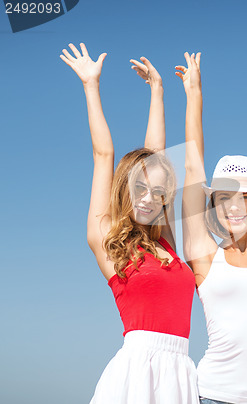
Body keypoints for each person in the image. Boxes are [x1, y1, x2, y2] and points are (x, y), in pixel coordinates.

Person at [60, 43, 199, 404]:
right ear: (124, 189)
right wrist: (91, 86)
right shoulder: (105, 238)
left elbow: (158, 158)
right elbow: (102, 153)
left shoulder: (164, 238)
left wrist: (157, 90)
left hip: (182, 370)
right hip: (137, 374)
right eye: (139, 188)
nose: (149, 197)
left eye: (157, 192)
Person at [175, 45, 247, 404]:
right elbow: (192, 168)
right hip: (214, 395)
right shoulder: (206, 257)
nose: (234, 206)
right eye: (224, 197)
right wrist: (194, 93)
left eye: (245, 197)